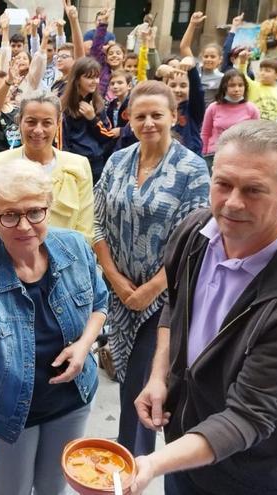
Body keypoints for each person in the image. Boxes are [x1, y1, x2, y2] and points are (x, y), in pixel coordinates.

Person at [132, 119, 277, 495]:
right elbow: (176, 304)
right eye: (223, 184)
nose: (233, 203)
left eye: (254, 190)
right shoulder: (194, 233)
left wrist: (152, 463)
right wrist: (159, 376)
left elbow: (248, 415)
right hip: (183, 453)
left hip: (250, 475)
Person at [0, 160, 108, 495]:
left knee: (54, 487)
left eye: (35, 212)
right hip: (11, 411)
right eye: (10, 215)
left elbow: (99, 304)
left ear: (49, 209)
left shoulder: (76, 247)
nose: (25, 225)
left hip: (73, 399)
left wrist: (84, 346)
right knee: (12, 489)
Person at [93, 80, 210, 457]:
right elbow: (95, 222)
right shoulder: (117, 160)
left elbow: (194, 242)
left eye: (157, 115)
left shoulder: (191, 170)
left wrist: (147, 291)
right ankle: (130, 459)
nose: (148, 123)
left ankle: (133, 466)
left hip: (163, 301)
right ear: (128, 118)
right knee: (128, 380)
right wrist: (116, 279)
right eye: (140, 115)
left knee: (141, 387)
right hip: (118, 292)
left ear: (173, 117)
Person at [0, 90, 94, 245]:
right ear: (19, 121)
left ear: (58, 123)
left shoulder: (78, 165)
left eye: (46, 123)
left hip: (66, 261)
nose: (38, 130)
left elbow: (85, 229)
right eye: (31, 122)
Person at [60, 57, 118, 183]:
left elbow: (108, 136)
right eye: (89, 77)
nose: (95, 82)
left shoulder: (98, 104)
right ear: (77, 79)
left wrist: (93, 119)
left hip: (96, 163)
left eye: (97, 77)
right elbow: (62, 141)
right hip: (74, 164)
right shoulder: (64, 106)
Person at [201, 70, 260, 157]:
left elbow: (256, 136)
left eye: (240, 85)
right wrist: (204, 152)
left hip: (241, 155)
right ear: (224, 87)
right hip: (215, 154)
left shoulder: (252, 109)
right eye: (232, 85)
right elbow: (205, 133)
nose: (237, 89)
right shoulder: (213, 107)